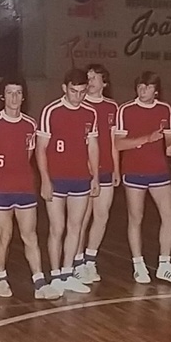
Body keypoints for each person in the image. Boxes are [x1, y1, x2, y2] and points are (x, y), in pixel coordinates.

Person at [0, 76, 61, 300]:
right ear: (2, 96)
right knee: (5, 234)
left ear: (23, 97)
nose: (14, 97)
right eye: (10, 92)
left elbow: (28, 154)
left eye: (18, 93)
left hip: (24, 186)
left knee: (30, 235)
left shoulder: (30, 124)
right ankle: (0, 277)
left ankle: (39, 281)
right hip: (0, 187)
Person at [115, 71, 171, 284]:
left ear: (156, 90)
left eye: (147, 87)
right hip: (134, 171)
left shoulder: (165, 109)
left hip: (159, 171)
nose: (143, 90)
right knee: (136, 217)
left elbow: (168, 135)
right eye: (140, 87)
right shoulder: (126, 110)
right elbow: (118, 144)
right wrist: (146, 138)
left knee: (169, 215)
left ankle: (164, 264)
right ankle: (138, 265)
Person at [37, 68, 100, 294]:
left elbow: (92, 146)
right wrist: (45, 179)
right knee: (57, 227)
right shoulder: (51, 111)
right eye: (74, 91)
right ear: (65, 88)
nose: (78, 96)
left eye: (82, 92)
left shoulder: (90, 113)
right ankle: (55, 276)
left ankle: (67, 273)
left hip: (80, 178)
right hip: (56, 178)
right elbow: (40, 148)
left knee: (76, 226)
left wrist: (95, 176)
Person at [73, 64, 119, 284]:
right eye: (88, 78)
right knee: (82, 217)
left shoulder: (112, 107)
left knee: (102, 215)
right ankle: (76, 261)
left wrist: (116, 168)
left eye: (94, 78)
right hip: (85, 170)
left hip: (106, 168)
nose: (90, 82)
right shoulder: (79, 105)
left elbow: (113, 141)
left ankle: (90, 259)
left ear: (104, 82)